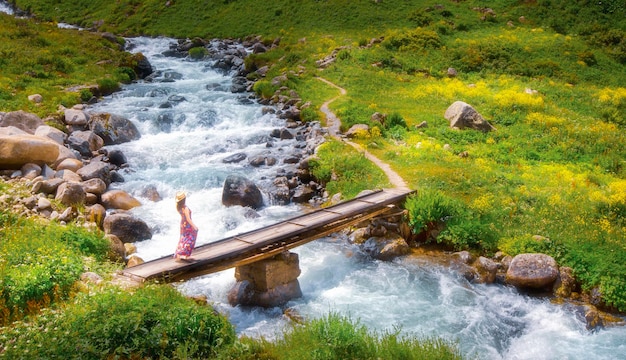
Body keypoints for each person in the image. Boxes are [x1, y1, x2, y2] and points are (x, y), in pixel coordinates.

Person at [173, 191, 198, 261]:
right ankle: (186, 254)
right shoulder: (186, 208)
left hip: (182, 224)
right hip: (187, 224)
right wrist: (194, 226)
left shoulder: (179, 207)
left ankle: (178, 254)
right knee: (191, 238)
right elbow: (188, 219)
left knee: (183, 239)